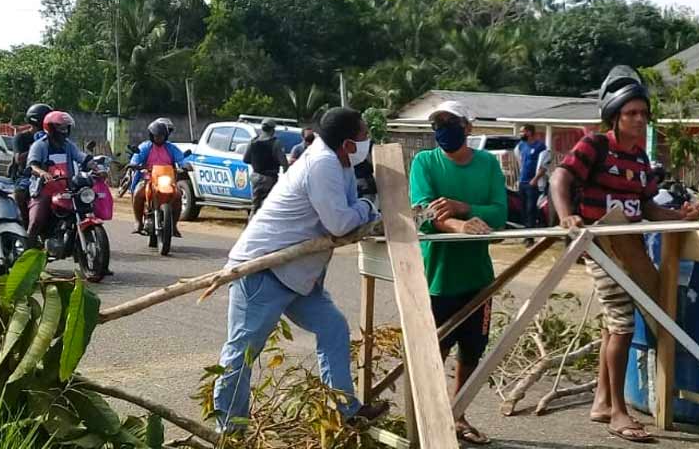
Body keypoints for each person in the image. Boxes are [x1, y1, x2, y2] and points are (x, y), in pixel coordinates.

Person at [551, 65, 699, 444]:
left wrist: (678, 217)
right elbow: (560, 178)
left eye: (642, 113)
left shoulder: (640, 158)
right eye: (630, 113)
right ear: (615, 116)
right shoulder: (596, 146)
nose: (638, 119)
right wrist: (567, 214)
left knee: (611, 322)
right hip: (600, 244)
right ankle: (619, 411)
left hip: (630, 246)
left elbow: (646, 207)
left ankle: (602, 401)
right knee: (622, 322)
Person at [212, 107, 386, 431]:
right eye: (364, 135)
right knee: (243, 352)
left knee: (333, 326)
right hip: (264, 269)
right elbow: (339, 223)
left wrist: (362, 211)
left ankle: (343, 411)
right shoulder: (322, 164)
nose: (368, 140)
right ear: (348, 143)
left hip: (295, 273)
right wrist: (367, 207)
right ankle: (229, 432)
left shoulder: (340, 163)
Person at [408, 100, 507, 446]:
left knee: (473, 348)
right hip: (437, 275)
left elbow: (499, 211)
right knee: (435, 349)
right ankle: (429, 417)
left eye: (450, 123)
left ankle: (457, 412)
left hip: (477, 275)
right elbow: (423, 210)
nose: (442, 130)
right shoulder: (424, 162)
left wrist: (466, 208)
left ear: (467, 127)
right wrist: (457, 225)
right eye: (437, 124)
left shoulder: (488, 165)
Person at [27, 111, 92, 241]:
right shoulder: (39, 145)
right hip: (44, 189)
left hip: (66, 188)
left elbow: (81, 157)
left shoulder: (68, 145)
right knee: (36, 220)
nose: (64, 131)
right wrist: (43, 173)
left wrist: (95, 166)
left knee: (83, 207)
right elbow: (32, 166)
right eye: (60, 127)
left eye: (66, 127)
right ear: (50, 128)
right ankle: (27, 247)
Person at [128, 120, 186, 236]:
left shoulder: (171, 148)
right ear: (151, 136)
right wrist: (135, 164)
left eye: (162, 136)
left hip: (167, 180)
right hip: (147, 179)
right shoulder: (145, 147)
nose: (159, 138)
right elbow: (136, 158)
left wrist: (186, 165)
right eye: (156, 136)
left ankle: (173, 226)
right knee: (138, 193)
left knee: (178, 195)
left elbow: (181, 159)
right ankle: (138, 222)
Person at [11, 103, 52, 227]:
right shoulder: (21, 137)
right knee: (20, 193)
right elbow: (19, 159)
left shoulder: (53, 138)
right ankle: (26, 224)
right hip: (27, 175)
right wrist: (37, 147)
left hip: (50, 175)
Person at [243, 118, 289, 214]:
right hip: (269, 178)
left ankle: (251, 225)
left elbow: (246, 159)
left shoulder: (253, 142)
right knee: (269, 206)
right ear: (272, 130)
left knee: (255, 206)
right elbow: (284, 163)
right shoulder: (275, 143)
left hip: (255, 177)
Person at [516, 124, 547, 229]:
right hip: (522, 181)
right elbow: (520, 159)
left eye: (522, 132)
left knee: (531, 208)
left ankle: (530, 234)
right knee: (523, 208)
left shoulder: (540, 146)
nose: (521, 134)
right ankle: (526, 229)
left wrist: (535, 179)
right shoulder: (521, 145)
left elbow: (544, 165)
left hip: (532, 182)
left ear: (529, 132)